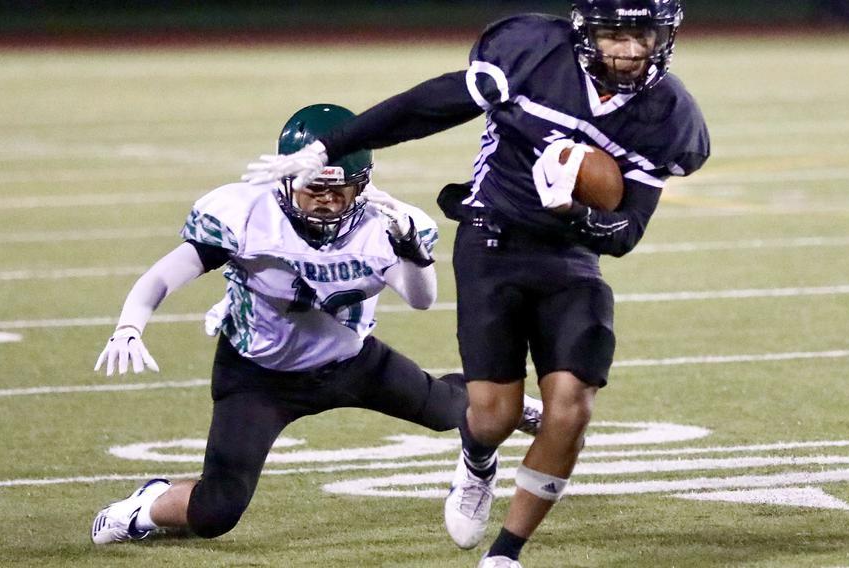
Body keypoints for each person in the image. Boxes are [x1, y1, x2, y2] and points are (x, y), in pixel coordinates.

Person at [241, 1, 710, 566]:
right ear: (587, 31)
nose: (632, 51)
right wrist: (328, 147)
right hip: (493, 238)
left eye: (646, 35)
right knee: (494, 414)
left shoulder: (670, 114)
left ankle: (506, 553)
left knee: (571, 409)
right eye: (617, 34)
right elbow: (427, 106)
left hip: (571, 257)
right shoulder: (533, 55)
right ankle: (478, 460)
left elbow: (625, 231)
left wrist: (575, 214)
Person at [90, 103, 545, 546]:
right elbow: (162, 276)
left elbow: (422, 299)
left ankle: (504, 404)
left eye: (340, 188)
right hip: (258, 375)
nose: (327, 200)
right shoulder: (246, 215)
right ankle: (143, 508)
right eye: (314, 188)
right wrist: (129, 326)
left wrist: (413, 250)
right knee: (216, 512)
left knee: (449, 412)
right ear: (287, 179)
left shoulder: (383, 224)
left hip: (352, 363)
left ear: (362, 184)